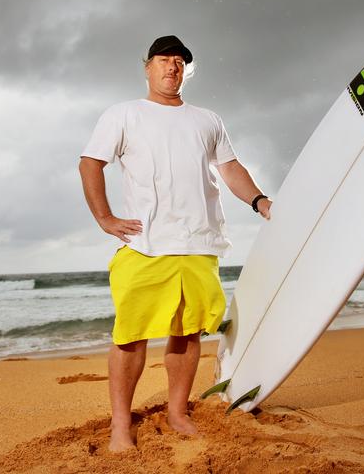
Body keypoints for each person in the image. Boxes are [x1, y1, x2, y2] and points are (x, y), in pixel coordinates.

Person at [78, 35, 272, 452]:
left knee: (187, 334)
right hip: (145, 244)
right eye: (164, 61)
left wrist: (259, 201)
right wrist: (105, 218)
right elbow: (90, 162)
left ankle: (178, 411)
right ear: (147, 67)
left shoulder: (207, 120)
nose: (172, 68)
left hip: (199, 243)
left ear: (187, 70)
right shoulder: (123, 114)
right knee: (130, 335)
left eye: (180, 62)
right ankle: (119, 424)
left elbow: (230, 167)